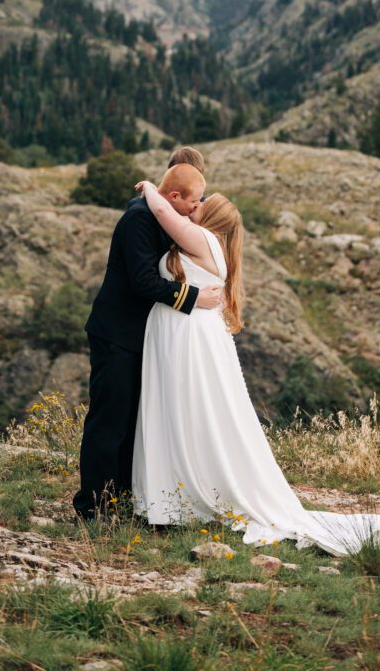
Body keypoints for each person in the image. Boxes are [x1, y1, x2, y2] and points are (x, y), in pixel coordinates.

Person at [131, 180, 380, 558]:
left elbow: (163, 212)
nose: (193, 207)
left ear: (209, 219)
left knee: (192, 412)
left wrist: (150, 188)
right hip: (181, 334)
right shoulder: (198, 243)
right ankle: (178, 494)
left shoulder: (205, 242)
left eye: (200, 205)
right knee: (185, 413)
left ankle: (187, 497)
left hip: (191, 337)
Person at [73, 161, 223, 521]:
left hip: (141, 338)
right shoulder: (138, 220)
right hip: (116, 334)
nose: (195, 208)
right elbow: (142, 281)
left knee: (133, 422)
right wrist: (193, 298)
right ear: (173, 196)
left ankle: (122, 499)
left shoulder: (159, 215)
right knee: (109, 422)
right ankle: (91, 507)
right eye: (193, 201)